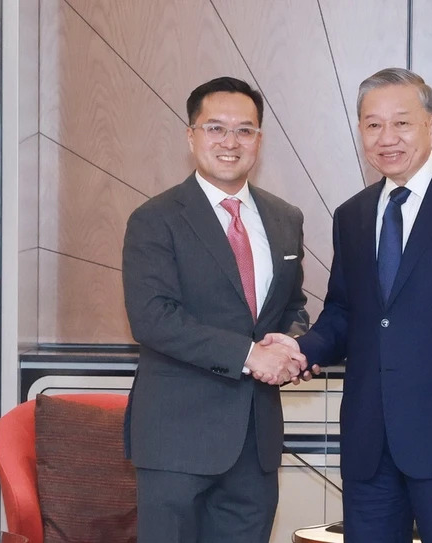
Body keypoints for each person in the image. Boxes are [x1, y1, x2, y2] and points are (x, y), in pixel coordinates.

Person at [289, 68, 432, 542]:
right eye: (373, 125)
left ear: (431, 126)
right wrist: (301, 350)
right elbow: (343, 313)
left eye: (402, 123)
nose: (386, 138)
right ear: (360, 132)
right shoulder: (352, 214)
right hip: (368, 442)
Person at [121, 76, 311, 543]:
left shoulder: (285, 218)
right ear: (191, 136)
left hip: (256, 443)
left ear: (259, 141)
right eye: (215, 128)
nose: (231, 142)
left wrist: (294, 343)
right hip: (176, 442)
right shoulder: (155, 218)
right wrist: (250, 355)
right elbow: (152, 317)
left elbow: (293, 304)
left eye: (245, 130)